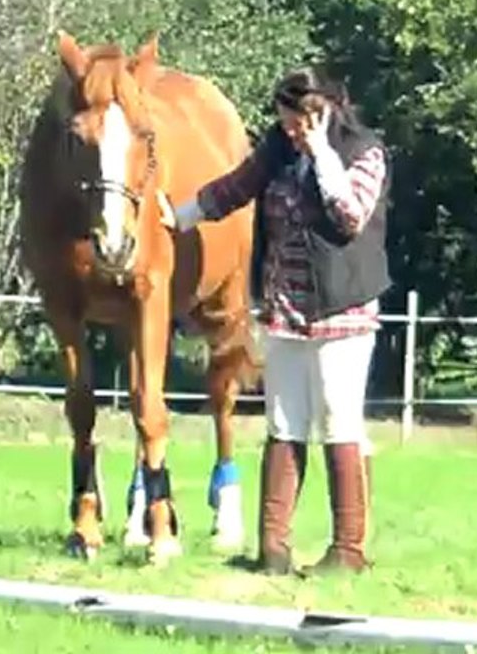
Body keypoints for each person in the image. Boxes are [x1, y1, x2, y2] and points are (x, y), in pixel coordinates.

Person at [157, 65, 392, 576]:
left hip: (343, 312)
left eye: (295, 121)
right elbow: (234, 189)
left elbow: (349, 215)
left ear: (322, 110)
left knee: (337, 423)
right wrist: (178, 216)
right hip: (285, 310)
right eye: (284, 121)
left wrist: (321, 155)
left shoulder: (363, 151)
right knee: (283, 425)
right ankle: (274, 547)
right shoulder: (278, 152)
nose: (288, 131)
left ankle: (348, 551)